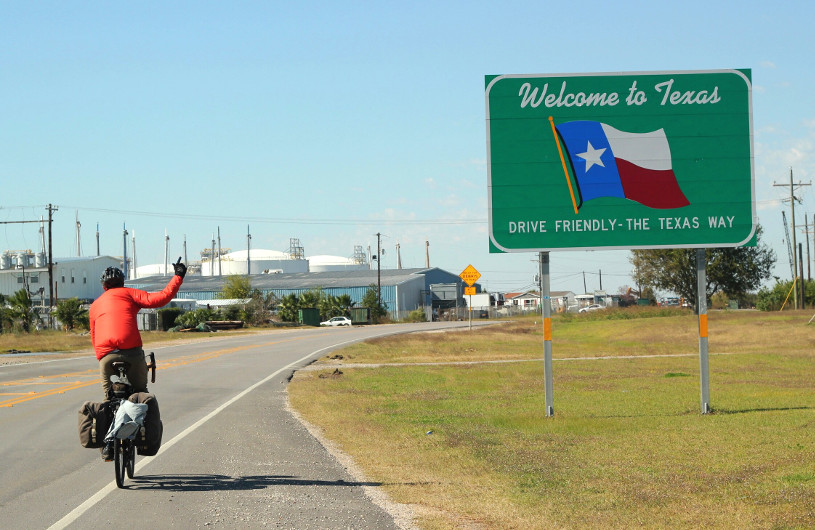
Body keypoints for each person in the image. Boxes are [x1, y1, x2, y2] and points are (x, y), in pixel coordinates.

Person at [89, 260, 186, 460]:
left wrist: (102, 357)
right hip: (132, 353)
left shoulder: (95, 304)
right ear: (122, 282)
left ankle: (108, 446)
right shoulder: (129, 294)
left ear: (104, 286)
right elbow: (160, 299)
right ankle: (141, 434)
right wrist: (178, 276)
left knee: (108, 400)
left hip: (106, 356)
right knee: (141, 393)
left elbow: (93, 334)